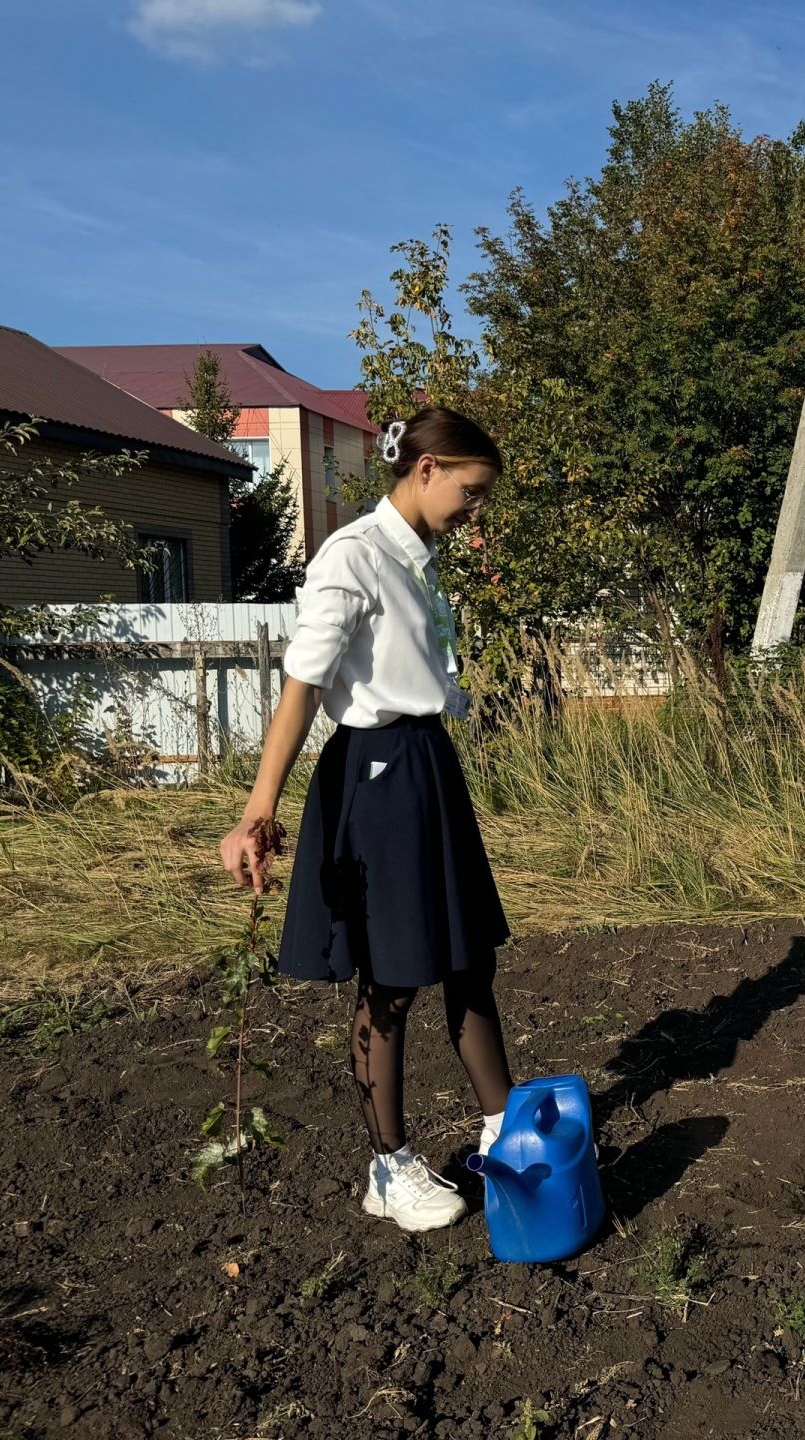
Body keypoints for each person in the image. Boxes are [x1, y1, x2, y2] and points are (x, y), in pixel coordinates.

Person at [218, 407, 515, 1234]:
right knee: (392, 977)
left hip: (427, 767)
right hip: (378, 778)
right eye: (471, 490)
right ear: (427, 471)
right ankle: (388, 1166)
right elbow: (303, 685)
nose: (475, 509)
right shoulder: (353, 556)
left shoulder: (415, 560)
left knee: (467, 958)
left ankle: (506, 1131)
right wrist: (257, 809)